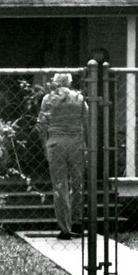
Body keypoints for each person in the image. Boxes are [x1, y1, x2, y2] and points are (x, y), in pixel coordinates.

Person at [37, 73, 88, 240]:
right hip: (76, 143)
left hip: (56, 143)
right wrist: (85, 145)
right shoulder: (79, 99)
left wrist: (45, 145)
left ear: (55, 82)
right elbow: (86, 123)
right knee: (77, 184)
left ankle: (65, 228)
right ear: (70, 82)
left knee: (60, 185)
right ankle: (77, 222)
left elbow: (42, 124)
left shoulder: (48, 99)